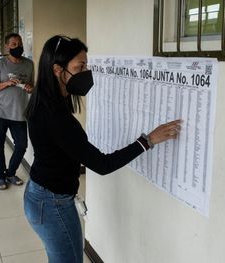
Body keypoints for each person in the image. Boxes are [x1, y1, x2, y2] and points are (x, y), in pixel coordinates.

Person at [23, 35, 182, 263]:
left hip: (42, 195)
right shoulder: (55, 116)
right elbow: (101, 164)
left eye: (86, 65)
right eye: (80, 67)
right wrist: (148, 140)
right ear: (58, 70)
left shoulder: (45, 101)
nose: (86, 72)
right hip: (51, 203)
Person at [0, 33, 34, 190]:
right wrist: (6, 83)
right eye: (13, 44)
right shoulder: (0, 64)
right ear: (7, 47)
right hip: (0, 112)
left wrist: (29, 88)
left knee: (22, 145)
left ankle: (11, 172)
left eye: (19, 44)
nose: (17, 47)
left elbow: (31, 87)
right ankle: (0, 176)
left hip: (19, 112)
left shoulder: (29, 64)